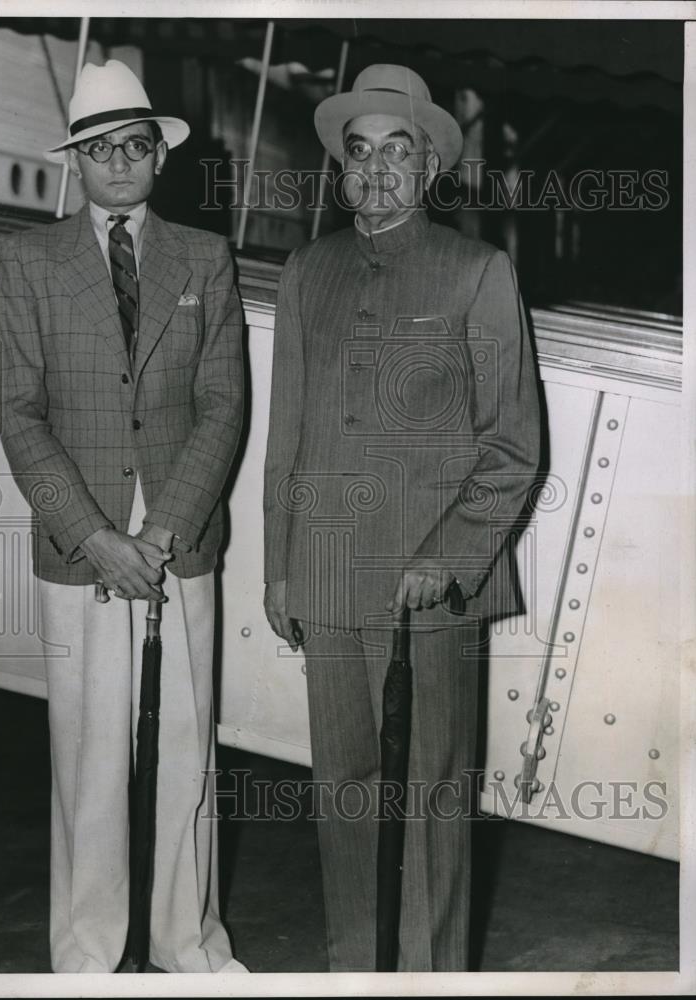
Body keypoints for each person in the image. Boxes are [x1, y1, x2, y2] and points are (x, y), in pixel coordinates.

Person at [263, 64, 541, 971]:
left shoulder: (478, 271)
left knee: (429, 796)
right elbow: (288, 436)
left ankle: (429, 979)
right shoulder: (309, 271)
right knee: (342, 789)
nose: (376, 169)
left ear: (429, 169)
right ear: (341, 172)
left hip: (433, 592)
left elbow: (512, 449)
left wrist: (449, 555)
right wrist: (278, 567)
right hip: (329, 576)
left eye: (398, 149)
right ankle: (356, 969)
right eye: (360, 152)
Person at [0, 59, 246, 974]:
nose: (119, 164)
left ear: (158, 159)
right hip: (82, 544)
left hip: (179, 541)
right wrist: (97, 537)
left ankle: (189, 948)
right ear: (78, 163)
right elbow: (19, 413)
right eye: (100, 150)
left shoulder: (205, 259)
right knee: (88, 759)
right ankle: (88, 960)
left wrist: (163, 531)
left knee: (185, 746)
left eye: (134, 146)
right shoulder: (26, 261)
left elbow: (223, 405)